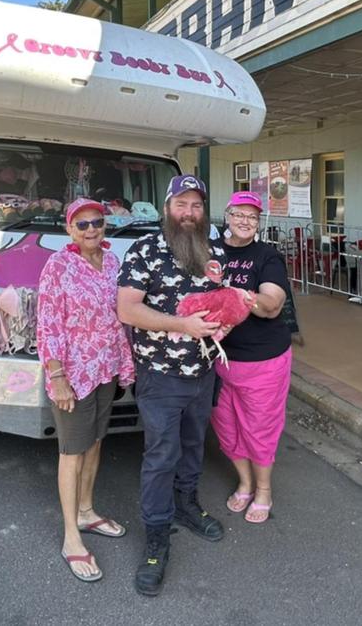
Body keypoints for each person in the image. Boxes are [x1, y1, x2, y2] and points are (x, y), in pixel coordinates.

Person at [117, 174, 246, 597]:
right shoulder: (145, 250)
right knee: (161, 454)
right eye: (181, 205)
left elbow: (222, 296)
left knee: (193, 446)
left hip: (204, 372)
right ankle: (156, 537)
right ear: (167, 207)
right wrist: (182, 325)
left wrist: (226, 319)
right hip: (160, 375)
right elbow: (128, 310)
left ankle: (187, 505)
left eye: (195, 206)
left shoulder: (213, 250)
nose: (189, 214)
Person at [37, 197, 135, 583]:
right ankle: (71, 537)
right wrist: (57, 376)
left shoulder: (112, 262)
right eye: (83, 225)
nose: (92, 229)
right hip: (74, 374)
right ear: (69, 230)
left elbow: (120, 316)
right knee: (72, 451)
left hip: (106, 367)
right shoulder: (58, 266)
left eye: (97, 222)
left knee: (95, 442)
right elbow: (47, 325)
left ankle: (87, 510)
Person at [210, 191, 291, 524]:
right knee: (226, 427)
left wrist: (236, 296)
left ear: (259, 222)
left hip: (262, 360)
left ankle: (264, 491)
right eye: (239, 214)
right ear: (227, 216)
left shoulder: (267, 256)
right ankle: (244, 482)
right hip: (219, 359)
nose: (245, 221)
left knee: (259, 429)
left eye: (252, 216)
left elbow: (271, 307)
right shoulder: (211, 252)